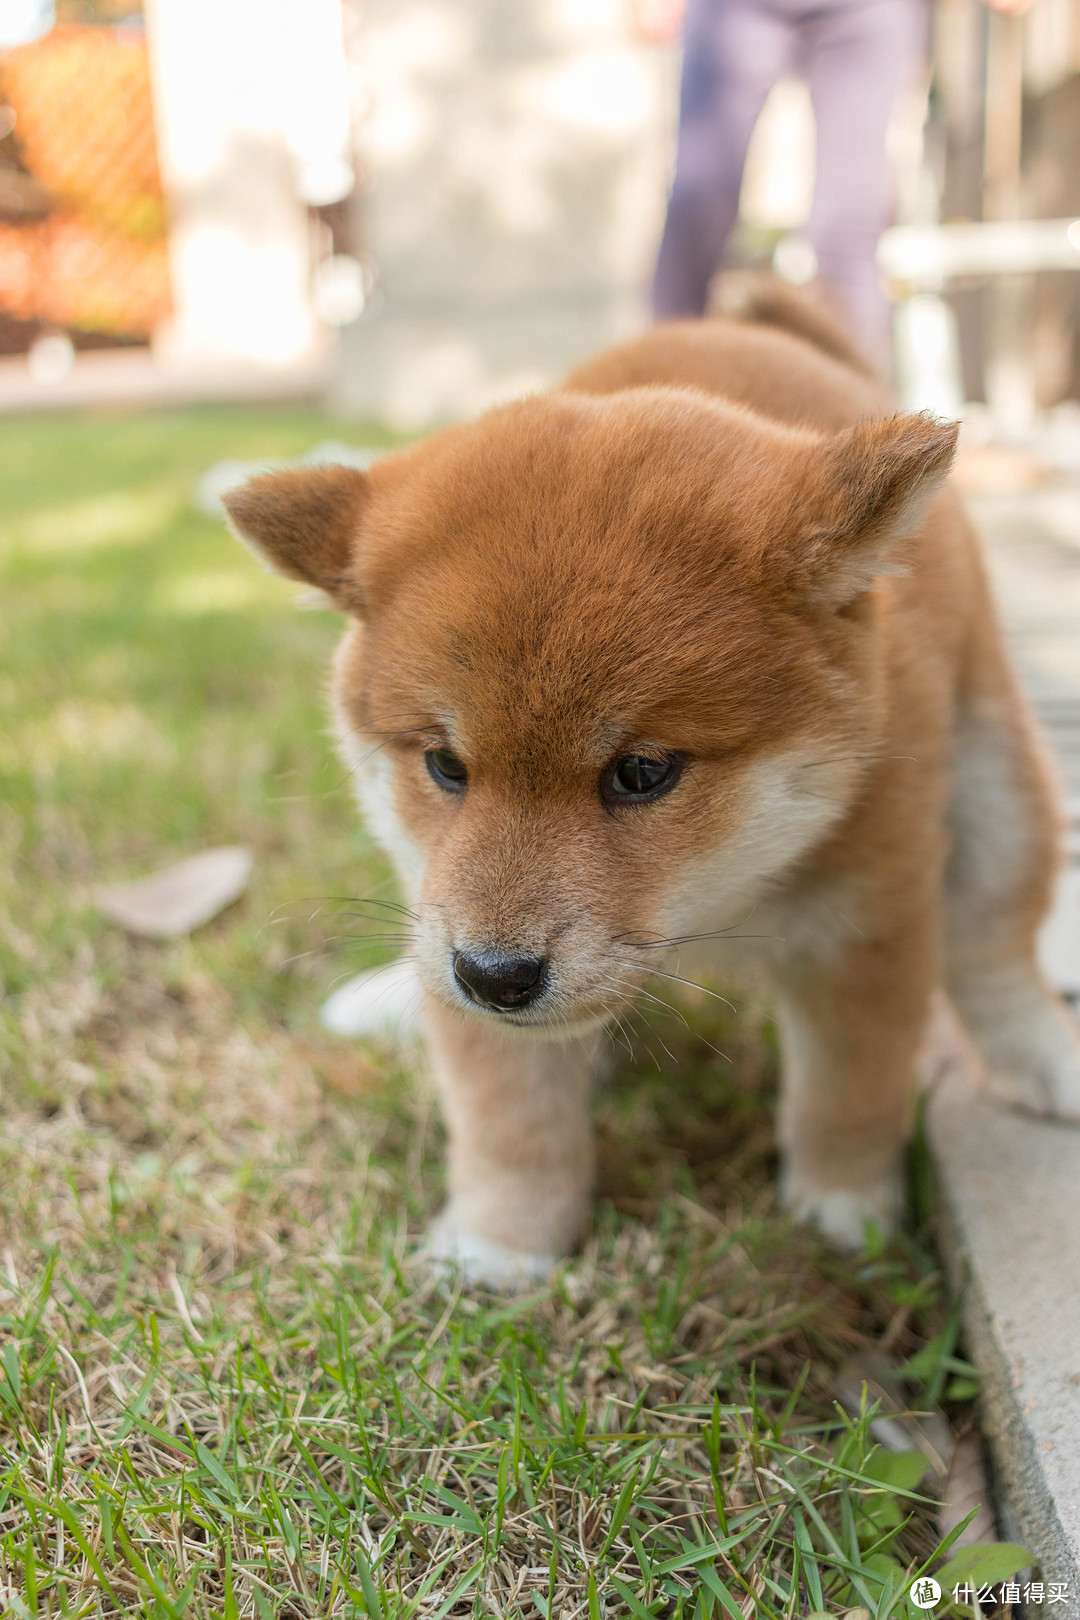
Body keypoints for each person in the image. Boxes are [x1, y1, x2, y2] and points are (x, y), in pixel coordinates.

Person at [643, 0, 1031, 358]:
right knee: (699, 202)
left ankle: (855, 419)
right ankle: (656, 385)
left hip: (866, 11)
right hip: (735, 9)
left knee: (849, 225)